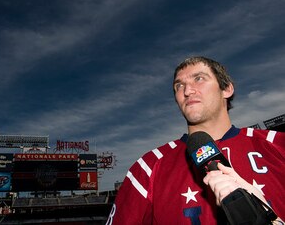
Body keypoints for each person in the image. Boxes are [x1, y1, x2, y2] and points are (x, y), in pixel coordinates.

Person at [106, 56, 285, 224]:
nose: (187, 91)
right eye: (179, 86)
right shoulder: (148, 166)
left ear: (226, 89)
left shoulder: (279, 145)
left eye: (198, 79)